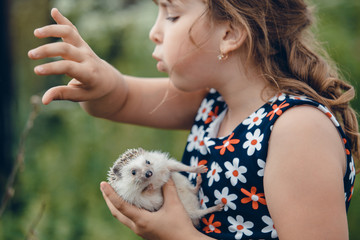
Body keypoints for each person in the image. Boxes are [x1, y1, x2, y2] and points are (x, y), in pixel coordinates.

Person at [28, 0, 359, 239]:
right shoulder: (214, 102)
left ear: (230, 33)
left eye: (171, 15)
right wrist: (98, 79)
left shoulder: (297, 129)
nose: (153, 32)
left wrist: (179, 236)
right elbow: (119, 100)